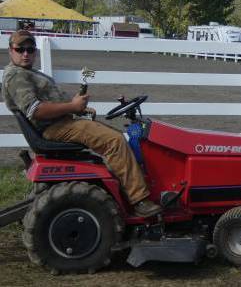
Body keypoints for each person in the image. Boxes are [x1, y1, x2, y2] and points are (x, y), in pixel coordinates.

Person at [2, 30, 162, 217]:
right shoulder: (17, 76)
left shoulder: (26, 72)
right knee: (115, 141)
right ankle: (140, 200)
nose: (25, 53)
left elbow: (46, 104)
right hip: (55, 128)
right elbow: (36, 110)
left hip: (61, 122)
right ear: (10, 51)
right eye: (20, 49)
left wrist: (77, 108)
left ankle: (122, 185)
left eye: (30, 49)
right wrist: (72, 105)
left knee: (114, 137)